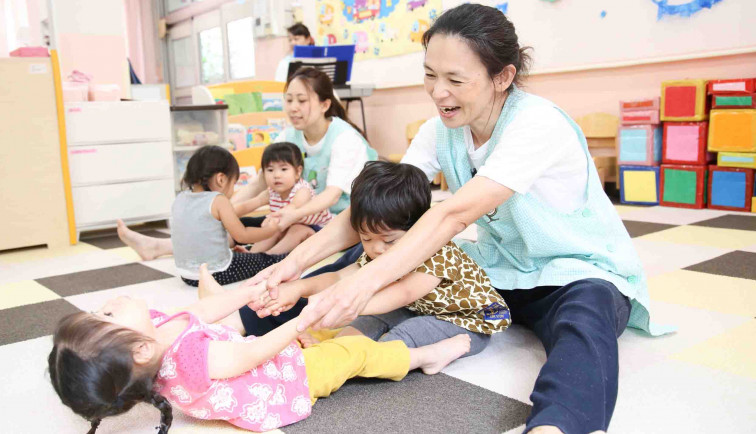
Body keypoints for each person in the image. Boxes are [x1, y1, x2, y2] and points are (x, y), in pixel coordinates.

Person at [246, 4, 672, 434]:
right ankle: (267, 320)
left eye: (455, 79)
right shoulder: (439, 131)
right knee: (374, 246)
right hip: (497, 270)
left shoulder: (537, 124)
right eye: (430, 74)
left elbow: (453, 214)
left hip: (574, 271)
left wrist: (361, 286)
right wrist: (294, 264)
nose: (437, 91)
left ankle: (556, 424)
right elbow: (371, 208)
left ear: (502, 77)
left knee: (584, 322)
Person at [47, 264, 471, 434]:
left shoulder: (154, 329)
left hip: (266, 359)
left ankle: (331, 340)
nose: (108, 305)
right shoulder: (193, 359)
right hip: (285, 383)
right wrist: (298, 322)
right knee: (350, 355)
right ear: (139, 351)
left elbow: (202, 310)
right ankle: (422, 357)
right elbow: (254, 355)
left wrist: (245, 291)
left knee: (326, 336)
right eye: (105, 316)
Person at [257, 161, 511, 357]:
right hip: (415, 309)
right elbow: (339, 276)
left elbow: (403, 293)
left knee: (405, 334)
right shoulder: (377, 249)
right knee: (365, 322)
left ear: (418, 228)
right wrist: (298, 287)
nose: (377, 249)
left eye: (389, 241)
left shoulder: (437, 251)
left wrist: (347, 304)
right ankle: (336, 348)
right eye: (366, 239)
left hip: (465, 322)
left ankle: (428, 356)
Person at [117, 146, 285, 286]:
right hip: (216, 274)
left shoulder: (181, 198)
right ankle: (286, 256)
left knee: (241, 253)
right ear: (221, 179)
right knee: (267, 261)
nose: (232, 190)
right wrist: (271, 230)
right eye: (233, 183)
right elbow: (242, 234)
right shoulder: (218, 200)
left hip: (187, 276)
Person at [232, 67, 378, 226]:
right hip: (302, 218)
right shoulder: (287, 137)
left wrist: (294, 213)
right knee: (241, 226)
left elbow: (332, 195)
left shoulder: (345, 139)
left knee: (285, 233)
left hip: (342, 222)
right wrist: (223, 209)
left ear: (325, 105)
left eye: (301, 101)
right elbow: (259, 183)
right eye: (289, 100)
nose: (293, 108)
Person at [240, 142, 333, 254]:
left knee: (296, 229)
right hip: (290, 228)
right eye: (270, 170)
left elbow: (292, 208)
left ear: (298, 172)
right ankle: (252, 255)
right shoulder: (271, 192)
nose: (276, 175)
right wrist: (228, 213)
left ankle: (269, 257)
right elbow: (249, 204)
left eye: (283, 169)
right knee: (272, 231)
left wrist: (271, 218)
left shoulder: (302, 190)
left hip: (319, 231)